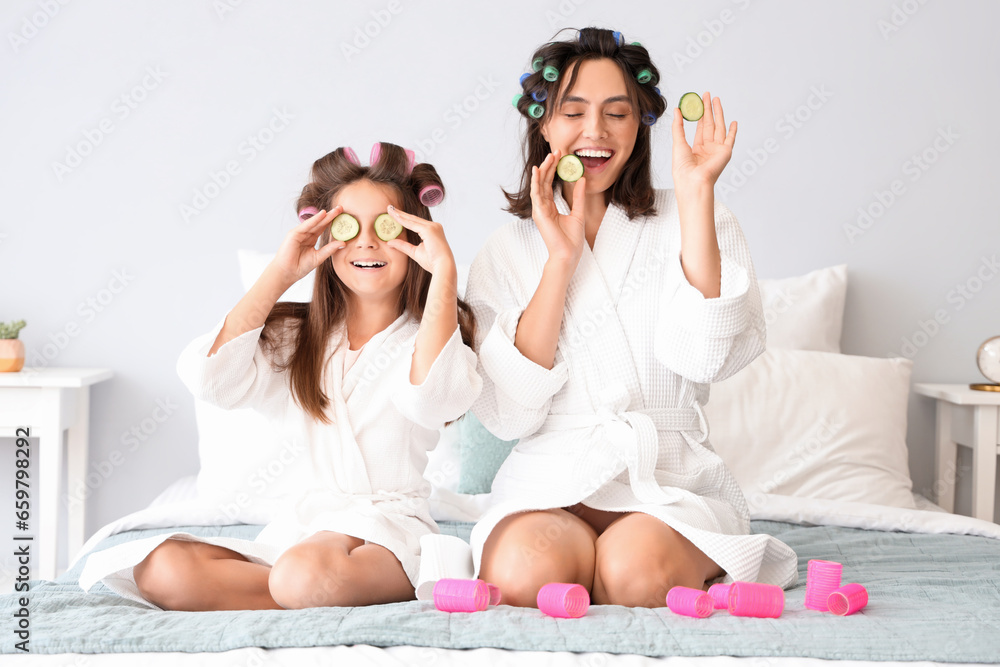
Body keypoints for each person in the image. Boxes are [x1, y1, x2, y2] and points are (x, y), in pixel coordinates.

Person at [462, 27, 798, 608]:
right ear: (543, 124)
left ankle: (635, 559)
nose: (595, 132)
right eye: (574, 113)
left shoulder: (695, 218)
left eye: (617, 114)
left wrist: (696, 196)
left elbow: (706, 357)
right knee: (523, 579)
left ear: (639, 125)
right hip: (549, 486)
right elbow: (512, 414)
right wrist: (560, 262)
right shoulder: (506, 249)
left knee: (635, 575)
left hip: (665, 482)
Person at [78, 142, 482, 611]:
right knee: (162, 568)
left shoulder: (434, 333)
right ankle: (299, 591)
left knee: (304, 572)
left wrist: (445, 273)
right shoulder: (296, 336)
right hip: (306, 532)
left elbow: (434, 400)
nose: (367, 243)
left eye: (386, 227)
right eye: (348, 228)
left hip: (390, 537)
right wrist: (279, 273)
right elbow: (211, 381)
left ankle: (310, 585)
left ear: (413, 236)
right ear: (324, 237)